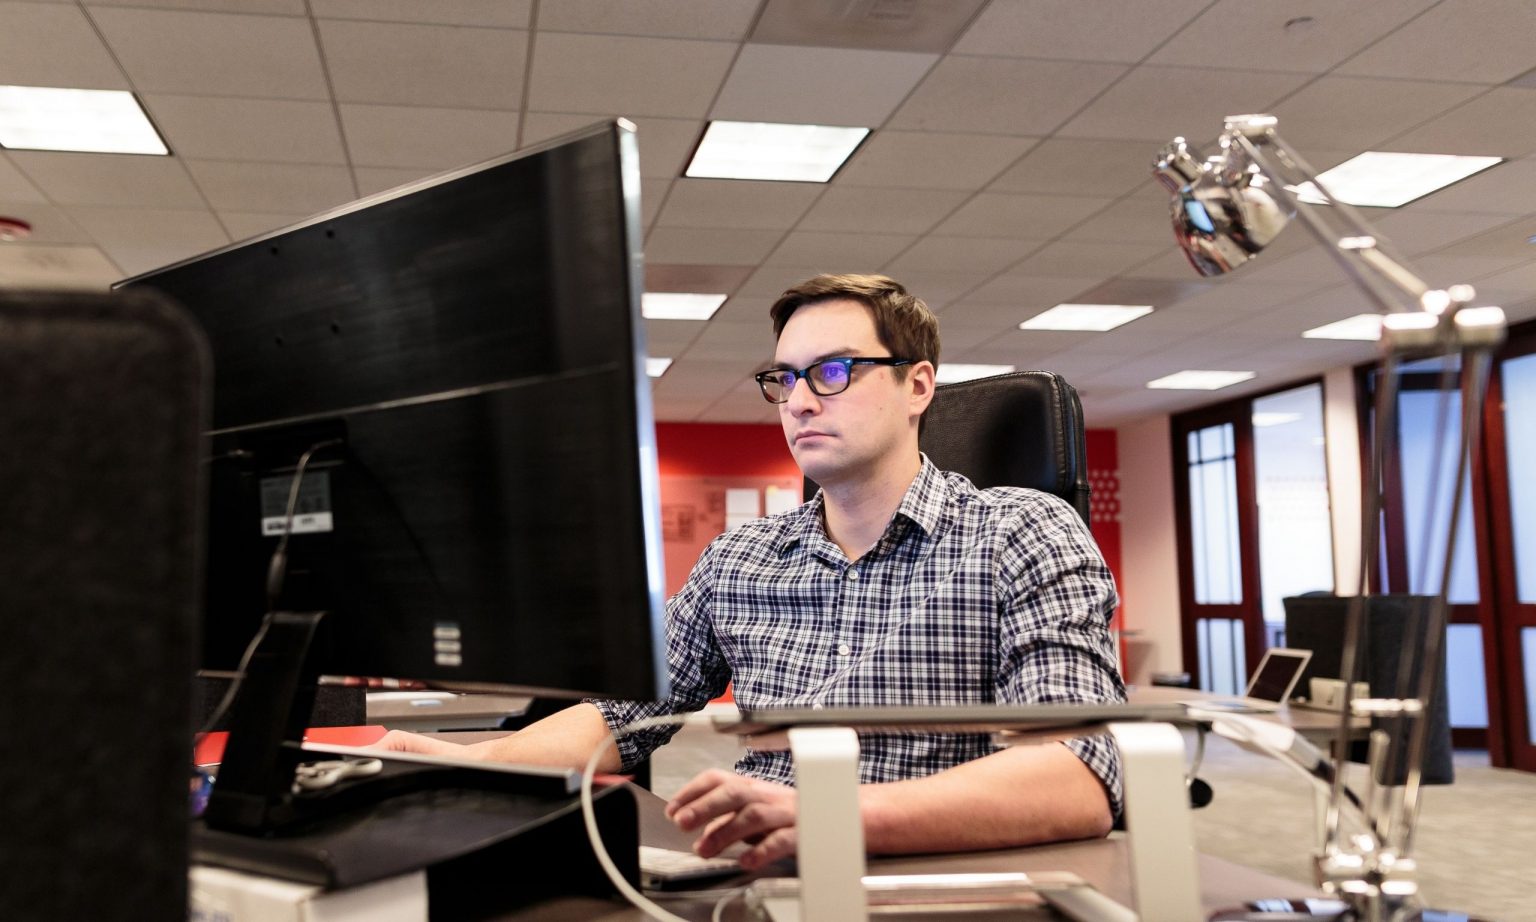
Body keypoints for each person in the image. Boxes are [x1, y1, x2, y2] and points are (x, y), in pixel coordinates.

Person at [382, 273, 1126, 870]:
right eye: (784, 378)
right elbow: (623, 714)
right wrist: (465, 764)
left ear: (918, 386)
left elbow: (1081, 773)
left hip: (926, 882)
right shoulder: (740, 559)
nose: (799, 401)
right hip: (757, 879)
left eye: (833, 372)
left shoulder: (1020, 532)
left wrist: (832, 817)